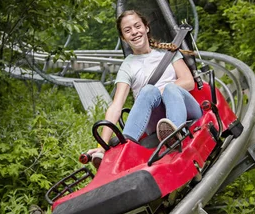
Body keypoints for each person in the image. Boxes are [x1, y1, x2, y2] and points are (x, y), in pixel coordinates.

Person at [87, 10, 202, 167]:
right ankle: (126, 147)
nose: (134, 32)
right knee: (148, 91)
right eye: (128, 30)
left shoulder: (168, 52)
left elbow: (188, 82)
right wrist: (101, 146)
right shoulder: (128, 66)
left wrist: (163, 90)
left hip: (184, 109)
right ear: (123, 37)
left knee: (170, 89)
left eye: (137, 26)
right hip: (156, 122)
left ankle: (175, 136)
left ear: (146, 28)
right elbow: (116, 106)